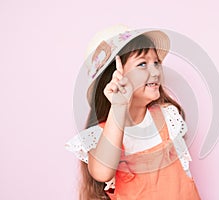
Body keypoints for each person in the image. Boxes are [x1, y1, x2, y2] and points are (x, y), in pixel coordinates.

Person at [65, 26, 201, 200]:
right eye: (142, 64)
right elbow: (102, 172)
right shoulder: (102, 136)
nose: (155, 72)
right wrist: (119, 106)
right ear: (114, 76)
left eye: (156, 63)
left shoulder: (168, 117)